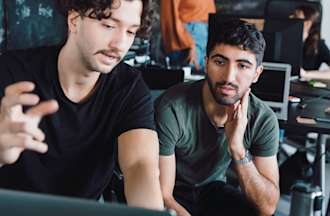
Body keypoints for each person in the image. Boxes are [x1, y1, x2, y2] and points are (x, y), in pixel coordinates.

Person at [0, 0, 164, 210]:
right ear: (74, 20)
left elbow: (140, 166)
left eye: (131, 32)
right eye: (109, 26)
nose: (120, 44)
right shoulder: (12, 71)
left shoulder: (128, 88)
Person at [155, 19, 280, 216]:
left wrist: (237, 149)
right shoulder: (172, 107)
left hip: (211, 190)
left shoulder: (263, 119)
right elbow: (163, 196)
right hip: (174, 192)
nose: (229, 77)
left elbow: (267, 207)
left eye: (243, 66)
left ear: (257, 74)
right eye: (220, 62)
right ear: (206, 63)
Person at [160, 0, 216, 73]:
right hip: (189, 37)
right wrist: (188, 43)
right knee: (189, 79)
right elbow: (169, 17)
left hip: (207, 32)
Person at [290, 5, 330, 80]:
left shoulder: (318, 44)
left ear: (308, 23)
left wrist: (305, 74)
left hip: (304, 87)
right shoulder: (284, 40)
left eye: (295, 16)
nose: (290, 18)